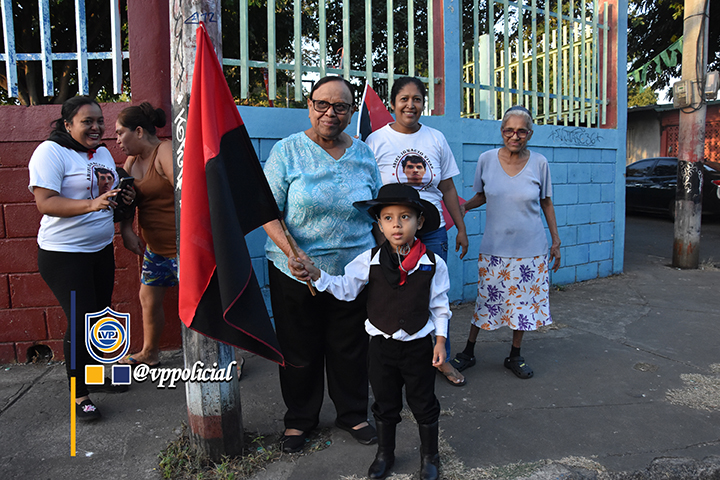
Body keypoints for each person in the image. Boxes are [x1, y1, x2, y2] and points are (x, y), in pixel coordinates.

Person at [291, 184, 449, 480]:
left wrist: (440, 341)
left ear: (420, 222)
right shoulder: (369, 260)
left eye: (405, 217)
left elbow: (440, 306)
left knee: (424, 403)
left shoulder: (432, 263)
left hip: (417, 346)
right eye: (388, 218)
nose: (397, 225)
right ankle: (385, 454)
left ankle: (430, 456)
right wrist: (318, 275)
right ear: (379, 224)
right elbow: (346, 288)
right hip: (381, 347)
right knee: (385, 403)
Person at [262, 76, 382, 453]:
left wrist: (385, 262)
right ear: (310, 105)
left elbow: (377, 212)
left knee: (351, 345)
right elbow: (268, 211)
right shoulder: (287, 152)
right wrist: (293, 253)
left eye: (341, 106)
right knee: (299, 347)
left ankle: (352, 413)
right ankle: (300, 419)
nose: (330, 113)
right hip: (295, 270)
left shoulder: (364, 154)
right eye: (322, 104)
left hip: (353, 270)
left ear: (351, 111)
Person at [28, 96, 133, 422]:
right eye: (87, 121)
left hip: (99, 250)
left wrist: (123, 197)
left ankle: (97, 377)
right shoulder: (50, 152)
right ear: (68, 124)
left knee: (99, 318)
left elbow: (103, 194)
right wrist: (92, 205)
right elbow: (45, 202)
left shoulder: (101, 153)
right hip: (63, 255)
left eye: (99, 120)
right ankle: (80, 395)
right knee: (82, 320)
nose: (96, 127)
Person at [366, 76, 468, 387]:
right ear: (392, 103)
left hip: (432, 231)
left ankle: (441, 356)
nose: (411, 105)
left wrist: (461, 228)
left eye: (417, 99)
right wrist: (380, 235)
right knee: (393, 293)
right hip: (393, 232)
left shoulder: (436, 139)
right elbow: (370, 190)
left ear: (424, 104)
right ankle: (394, 359)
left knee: (435, 292)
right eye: (404, 99)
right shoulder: (376, 141)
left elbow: (447, 187)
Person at [451, 105, 561, 379]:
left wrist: (556, 241)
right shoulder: (486, 160)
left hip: (531, 250)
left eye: (521, 131)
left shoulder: (540, 163)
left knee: (523, 307)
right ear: (501, 132)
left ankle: (515, 355)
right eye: (509, 130)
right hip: (495, 248)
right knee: (486, 301)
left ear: (530, 134)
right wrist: (462, 208)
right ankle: (468, 352)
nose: (515, 136)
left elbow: (547, 203)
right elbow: (482, 196)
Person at [116, 102, 175, 368]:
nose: (117, 140)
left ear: (139, 131)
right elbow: (127, 201)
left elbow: (187, 194)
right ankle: (150, 353)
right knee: (148, 299)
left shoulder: (165, 152)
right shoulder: (131, 162)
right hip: (156, 248)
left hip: (183, 247)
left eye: (120, 133)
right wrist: (126, 229)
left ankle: (232, 356)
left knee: (205, 304)